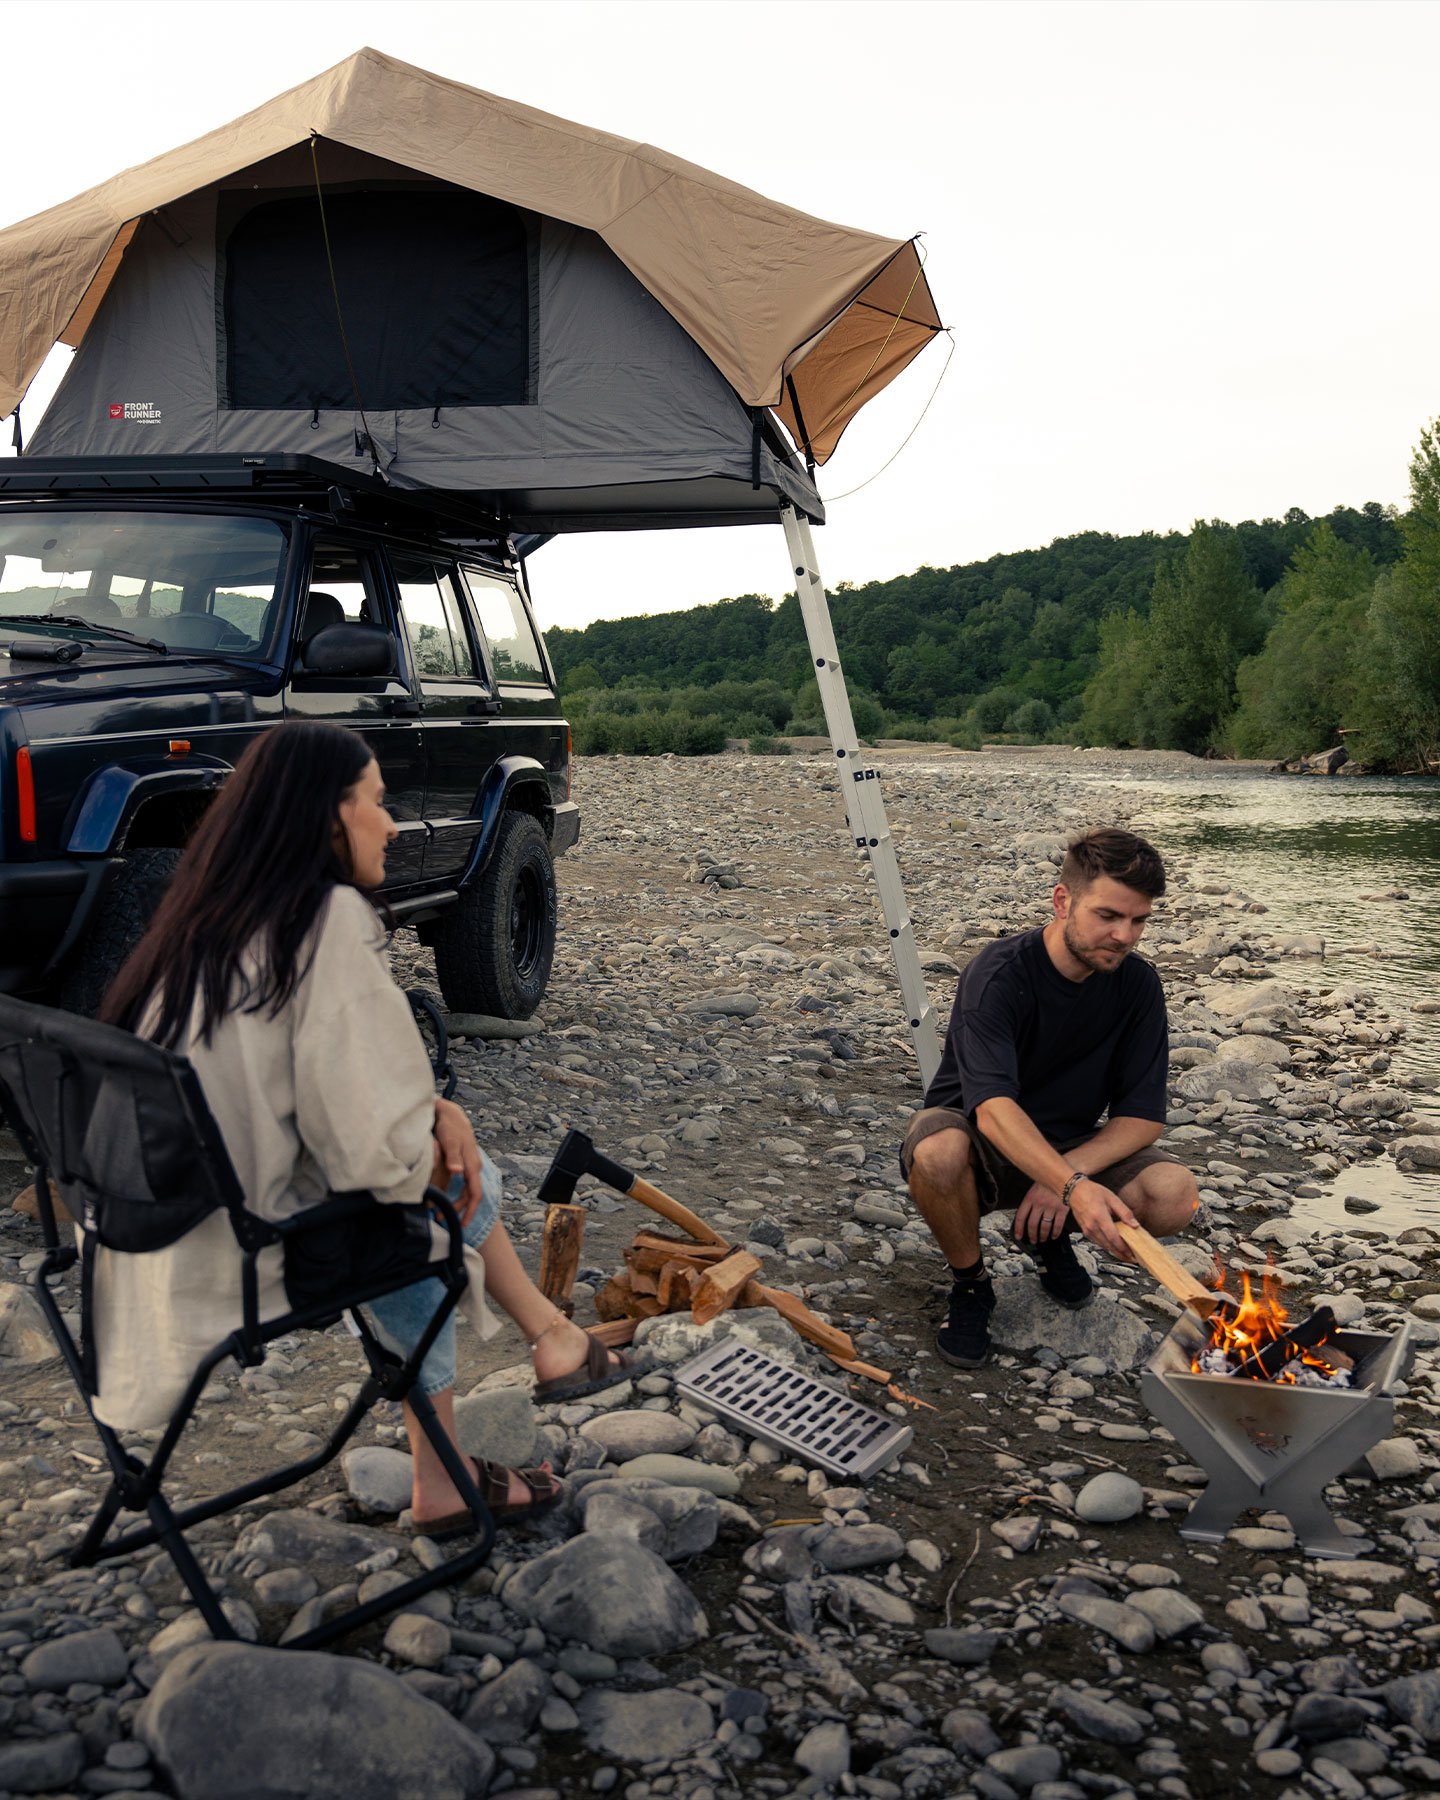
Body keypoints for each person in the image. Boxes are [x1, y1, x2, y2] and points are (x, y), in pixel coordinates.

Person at [97, 720, 635, 1535]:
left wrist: (434, 1114)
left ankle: (539, 1352)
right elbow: (371, 1148)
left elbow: (313, 1095)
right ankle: (501, 1401)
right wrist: (438, 1130)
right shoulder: (323, 923)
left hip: (159, 1240)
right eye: (375, 804)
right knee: (446, 1187)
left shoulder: (204, 921)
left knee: (430, 1169)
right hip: (246, 1250)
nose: (390, 824)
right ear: (326, 817)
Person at [901, 827, 1199, 1369]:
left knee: (1173, 1194)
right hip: (979, 1144)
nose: (1124, 936)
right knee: (936, 1152)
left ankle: (1045, 1234)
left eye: (1138, 920)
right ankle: (971, 1284)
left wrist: (1068, 1176)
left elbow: (1141, 1119)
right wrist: (1072, 1187)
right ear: (1063, 901)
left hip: (1070, 1145)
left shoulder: (1137, 986)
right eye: (1108, 916)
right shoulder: (998, 974)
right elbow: (993, 1110)